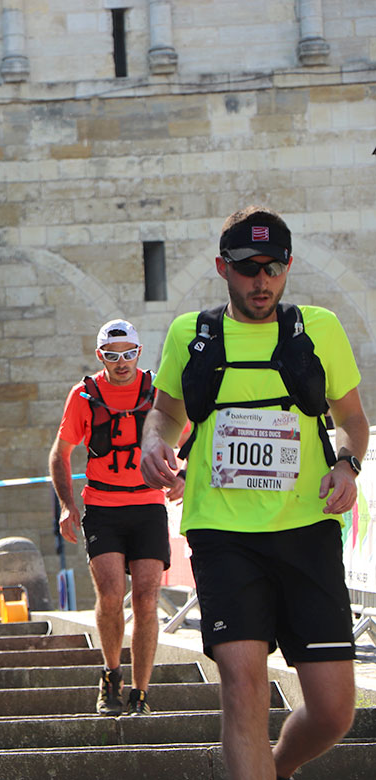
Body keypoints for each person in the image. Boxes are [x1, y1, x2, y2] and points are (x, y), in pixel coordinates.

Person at [140, 206, 368, 780]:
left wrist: (347, 464)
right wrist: (152, 442)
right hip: (222, 534)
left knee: (334, 711)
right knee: (243, 690)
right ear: (223, 268)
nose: (260, 281)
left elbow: (353, 420)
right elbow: (165, 414)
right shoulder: (191, 335)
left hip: (308, 530)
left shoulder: (319, 329)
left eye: (272, 267)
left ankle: (276, 768)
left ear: (287, 268)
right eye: (247, 268)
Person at [50, 319, 174, 716]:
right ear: (100, 355)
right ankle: (111, 673)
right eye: (111, 355)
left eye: (128, 354)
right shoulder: (83, 396)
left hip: (148, 503)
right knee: (109, 595)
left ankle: (140, 692)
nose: (121, 363)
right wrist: (69, 505)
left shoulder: (157, 393)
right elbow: (60, 454)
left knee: (146, 598)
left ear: (139, 353)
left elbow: (189, 434)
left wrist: (184, 474)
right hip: (103, 506)